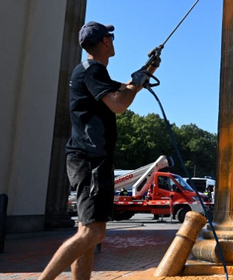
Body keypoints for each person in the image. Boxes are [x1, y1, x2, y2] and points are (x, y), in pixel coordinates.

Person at [39, 21, 157, 280]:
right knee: (94, 233)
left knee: (87, 233)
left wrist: (147, 69)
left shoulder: (91, 71)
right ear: (105, 41)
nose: (113, 40)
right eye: (110, 36)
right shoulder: (92, 71)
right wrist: (136, 84)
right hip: (91, 159)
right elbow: (119, 103)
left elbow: (123, 88)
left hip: (87, 157)